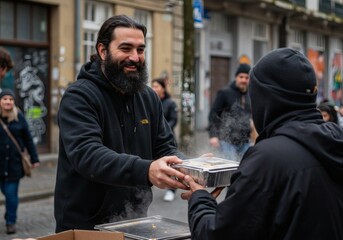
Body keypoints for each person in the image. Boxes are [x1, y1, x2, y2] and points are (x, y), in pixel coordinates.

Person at [181, 48, 343, 239]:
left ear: (266, 98)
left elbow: (217, 235)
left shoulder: (266, 159)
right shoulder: (335, 137)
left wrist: (200, 199)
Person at [54, 15, 188, 232]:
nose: (135, 57)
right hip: (85, 228)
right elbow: (88, 155)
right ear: (103, 51)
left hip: (135, 220)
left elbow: (165, 148)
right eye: (126, 48)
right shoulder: (79, 96)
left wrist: (194, 168)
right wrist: (146, 170)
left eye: (141, 49)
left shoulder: (148, 97)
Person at [0, 89, 40, 235]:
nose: (8, 101)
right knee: (5, 191)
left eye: (10, 99)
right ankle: (9, 213)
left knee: (11, 194)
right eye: (5, 99)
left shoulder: (19, 118)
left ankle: (10, 221)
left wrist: (34, 158)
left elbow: (28, 139)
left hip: (14, 165)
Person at [208, 63, 253, 161]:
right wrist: (213, 135)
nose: (244, 80)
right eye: (241, 77)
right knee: (230, 170)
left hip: (245, 141)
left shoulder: (250, 95)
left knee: (244, 169)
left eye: (247, 77)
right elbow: (213, 114)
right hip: (227, 141)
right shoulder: (224, 93)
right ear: (236, 77)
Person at [151, 77, 178, 202]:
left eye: (157, 86)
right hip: (152, 138)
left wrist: (163, 129)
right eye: (153, 86)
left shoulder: (170, 103)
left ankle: (171, 189)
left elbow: (174, 119)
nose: (154, 89)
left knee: (171, 165)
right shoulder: (150, 101)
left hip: (167, 138)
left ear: (163, 88)